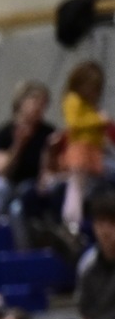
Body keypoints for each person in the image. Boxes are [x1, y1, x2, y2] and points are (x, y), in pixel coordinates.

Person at [0, 79, 55, 252]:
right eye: (35, 102)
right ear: (21, 102)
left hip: (34, 187)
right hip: (11, 185)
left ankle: (24, 254)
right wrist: (18, 145)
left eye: (43, 104)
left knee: (16, 209)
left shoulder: (48, 133)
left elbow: (52, 165)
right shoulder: (5, 133)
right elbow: (1, 170)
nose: (39, 108)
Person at [46, 187, 115, 319]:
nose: (105, 230)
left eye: (111, 223)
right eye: (100, 223)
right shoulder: (88, 263)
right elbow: (84, 312)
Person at [61, 61, 109, 231]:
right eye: (90, 86)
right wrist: (98, 120)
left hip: (93, 150)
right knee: (76, 187)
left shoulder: (90, 105)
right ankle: (71, 223)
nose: (93, 91)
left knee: (89, 187)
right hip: (80, 149)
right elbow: (74, 123)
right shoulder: (72, 99)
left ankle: (83, 219)